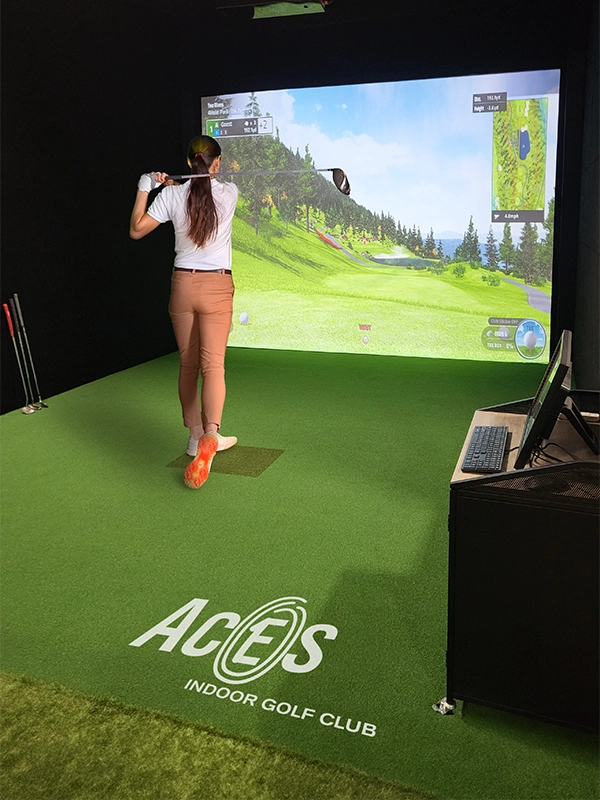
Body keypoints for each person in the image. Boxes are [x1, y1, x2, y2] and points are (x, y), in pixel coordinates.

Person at [129, 135, 238, 489]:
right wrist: (182, 185)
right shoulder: (229, 193)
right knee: (214, 365)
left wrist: (147, 187)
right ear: (215, 164)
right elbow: (202, 192)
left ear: (190, 162)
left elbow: (136, 230)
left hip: (183, 286)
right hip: (217, 287)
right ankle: (212, 434)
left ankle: (194, 438)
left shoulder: (172, 195)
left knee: (188, 365)